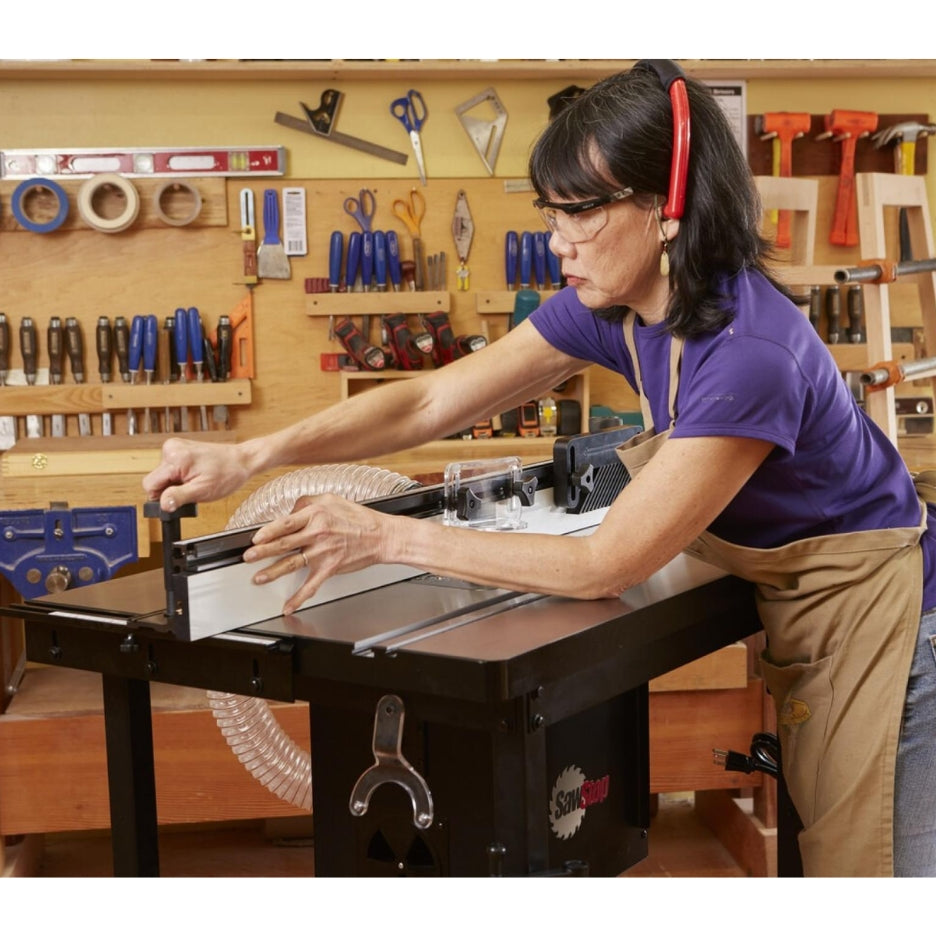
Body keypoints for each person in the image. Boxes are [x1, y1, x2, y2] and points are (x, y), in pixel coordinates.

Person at [143, 60, 935, 877]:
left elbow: (604, 564)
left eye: (578, 215)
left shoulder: (748, 357)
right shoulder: (621, 305)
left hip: (897, 632)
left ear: (666, 209)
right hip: (806, 610)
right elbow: (427, 402)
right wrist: (251, 453)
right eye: (549, 214)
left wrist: (381, 537)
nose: (556, 241)